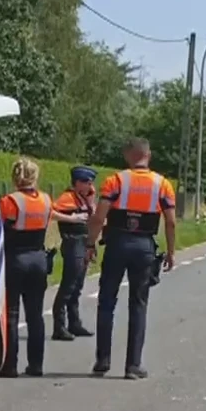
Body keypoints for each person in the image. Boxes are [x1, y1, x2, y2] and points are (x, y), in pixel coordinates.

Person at [86, 138, 176, 379]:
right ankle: (133, 365)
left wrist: (90, 244)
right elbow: (170, 221)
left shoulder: (115, 181)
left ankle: (103, 360)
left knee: (106, 301)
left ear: (129, 154)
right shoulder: (162, 184)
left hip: (117, 243)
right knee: (138, 305)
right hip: (144, 246)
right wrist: (170, 251)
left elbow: (98, 216)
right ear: (148, 154)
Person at [0, 157, 54, 377]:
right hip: (38, 259)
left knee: (11, 314)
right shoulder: (46, 200)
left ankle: (10, 365)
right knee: (35, 314)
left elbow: (1, 229)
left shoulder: (10, 201)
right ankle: (36, 364)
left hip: (15, 259)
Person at [49, 166, 96, 341]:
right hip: (72, 243)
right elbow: (50, 212)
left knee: (78, 286)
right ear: (77, 183)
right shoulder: (67, 198)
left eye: (91, 182)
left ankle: (74, 323)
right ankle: (59, 327)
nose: (90, 185)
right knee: (68, 286)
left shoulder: (84, 199)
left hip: (84, 243)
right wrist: (71, 218)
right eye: (86, 182)